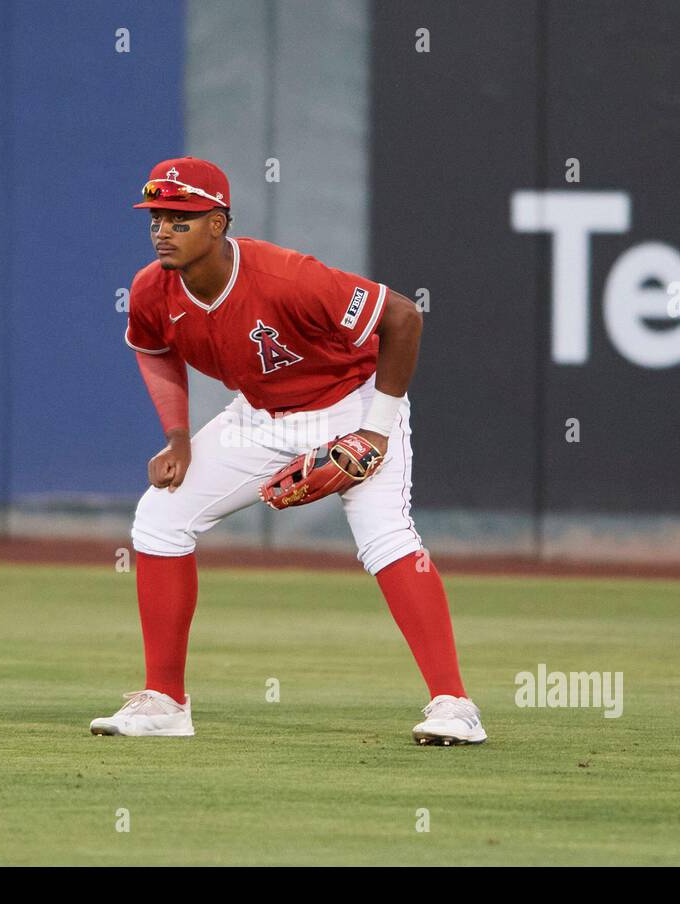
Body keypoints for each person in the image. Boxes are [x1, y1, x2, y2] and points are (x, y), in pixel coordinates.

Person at [90, 156, 485, 745]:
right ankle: (166, 702)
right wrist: (177, 435)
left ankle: (454, 705)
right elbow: (153, 349)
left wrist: (376, 431)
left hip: (352, 405)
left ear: (218, 223)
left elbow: (403, 317)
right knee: (160, 517)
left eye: (181, 218)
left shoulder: (286, 277)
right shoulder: (152, 289)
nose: (163, 230)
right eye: (157, 217)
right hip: (259, 417)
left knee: (386, 537)